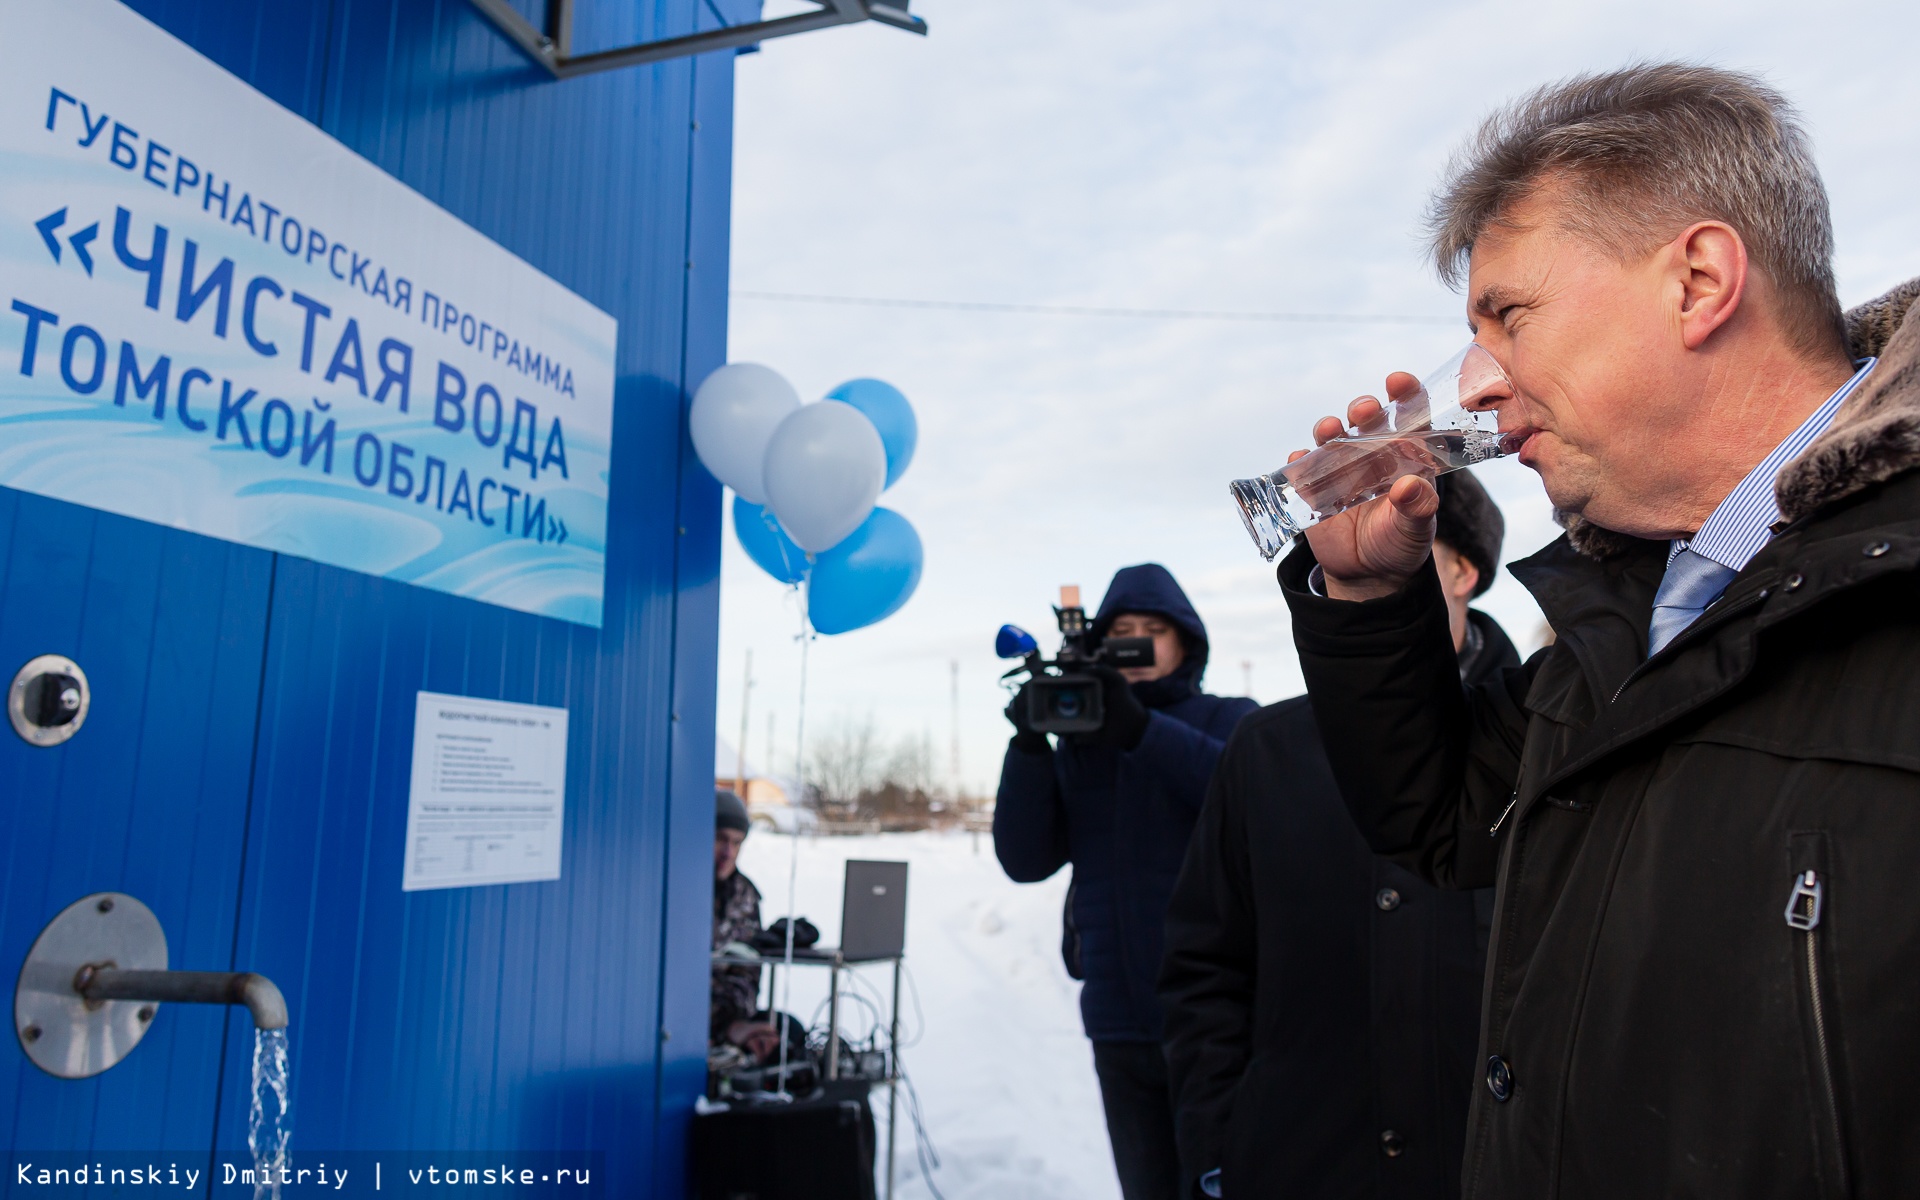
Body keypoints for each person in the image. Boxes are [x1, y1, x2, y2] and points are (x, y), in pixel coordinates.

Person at [1277, 64, 1920, 1198]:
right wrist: (1375, 607)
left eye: (1510, 317)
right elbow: (1441, 824)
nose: (1474, 388)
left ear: (1700, 281)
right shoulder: (1631, 609)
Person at [1160, 473, 1518, 1200]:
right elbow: (1206, 968)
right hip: (1299, 1165)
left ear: (1463, 568)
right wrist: (1220, 1145)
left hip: (1494, 1170)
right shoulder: (1266, 748)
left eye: (1408, 527)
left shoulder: (1549, 739)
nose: (1371, 544)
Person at [994, 564, 1259, 1200]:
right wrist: (1030, 749)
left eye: (1152, 630)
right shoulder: (1083, 742)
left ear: (1184, 643)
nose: (1136, 643)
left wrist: (1137, 730)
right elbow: (1025, 859)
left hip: (1221, 1022)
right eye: (1122, 631)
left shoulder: (1231, 719)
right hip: (1117, 1023)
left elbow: (1246, 802)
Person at [710, 790, 781, 1064]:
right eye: (720, 840)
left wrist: (732, 1023)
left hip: (730, 1019)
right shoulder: (681, 886)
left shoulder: (745, 895)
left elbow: (748, 971)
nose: (728, 853)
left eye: (737, 843)